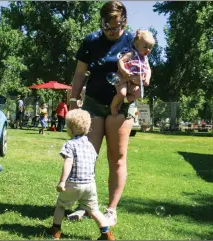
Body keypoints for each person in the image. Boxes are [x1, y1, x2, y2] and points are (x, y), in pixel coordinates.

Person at [68, 1, 152, 226]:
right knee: (86, 157)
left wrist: (140, 79)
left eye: (116, 27)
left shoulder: (133, 41)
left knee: (116, 158)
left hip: (122, 106)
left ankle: (111, 210)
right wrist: (74, 100)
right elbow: (79, 74)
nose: (111, 32)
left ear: (124, 21)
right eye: (107, 27)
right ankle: (87, 206)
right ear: (102, 23)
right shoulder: (91, 41)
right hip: (93, 104)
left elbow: (146, 65)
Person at [48, 109, 115, 240]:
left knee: (61, 205)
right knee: (94, 210)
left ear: (71, 129)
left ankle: (55, 231)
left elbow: (68, 162)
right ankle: (107, 234)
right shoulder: (90, 145)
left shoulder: (70, 144)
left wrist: (62, 181)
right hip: (90, 184)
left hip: (73, 183)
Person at [110, 29, 155, 116]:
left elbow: (148, 69)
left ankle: (123, 101)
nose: (148, 49)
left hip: (133, 82)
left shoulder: (145, 59)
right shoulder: (132, 53)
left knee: (138, 94)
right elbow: (120, 61)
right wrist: (124, 71)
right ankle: (113, 106)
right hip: (123, 77)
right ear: (136, 44)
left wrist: (147, 78)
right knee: (122, 93)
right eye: (145, 47)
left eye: (150, 47)